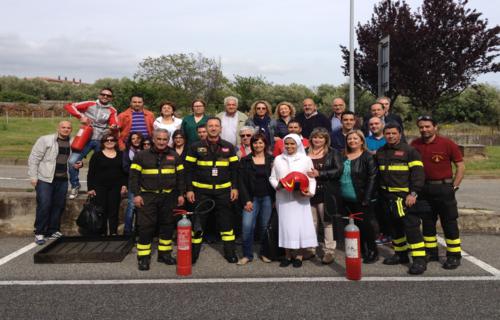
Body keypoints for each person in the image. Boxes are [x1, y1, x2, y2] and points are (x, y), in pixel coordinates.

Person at [411, 115, 465, 269]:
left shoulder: (447, 144)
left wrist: (454, 186)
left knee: (449, 222)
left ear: (435, 127)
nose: (424, 129)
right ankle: (431, 252)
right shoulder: (415, 144)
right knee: (427, 223)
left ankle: (454, 255)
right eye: (421, 127)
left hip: (444, 188)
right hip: (423, 190)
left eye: (427, 126)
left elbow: (460, 166)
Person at [129, 129, 186, 271]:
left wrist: (180, 194)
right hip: (147, 196)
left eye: (164, 139)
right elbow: (133, 177)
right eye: (159, 139)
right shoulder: (141, 156)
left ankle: (164, 254)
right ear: (153, 139)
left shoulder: (174, 156)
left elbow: (181, 177)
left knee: (167, 225)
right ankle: (143, 257)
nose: (161, 142)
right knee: (146, 227)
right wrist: (136, 195)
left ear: (168, 140)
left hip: (169, 196)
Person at [185, 117, 239, 263]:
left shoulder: (229, 146)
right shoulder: (195, 147)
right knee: (198, 224)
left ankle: (230, 253)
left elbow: (234, 170)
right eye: (211, 126)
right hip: (201, 193)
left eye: (216, 126)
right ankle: (193, 255)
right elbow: (188, 170)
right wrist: (189, 189)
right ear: (206, 128)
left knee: (226, 224)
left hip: (223, 193)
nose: (213, 128)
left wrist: (234, 187)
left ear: (221, 129)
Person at [375, 123, 427, 275]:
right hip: (387, 197)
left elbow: (418, 174)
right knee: (394, 228)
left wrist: (413, 193)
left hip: (404, 198)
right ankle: (401, 254)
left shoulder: (410, 151)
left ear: (400, 134)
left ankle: (419, 260)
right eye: (388, 133)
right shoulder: (381, 151)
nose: (390, 136)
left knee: (411, 228)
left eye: (393, 133)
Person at [269, 133, 317, 268]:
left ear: (298, 144)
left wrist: (310, 192)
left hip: (300, 199)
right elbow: (272, 177)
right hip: (283, 198)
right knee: (285, 227)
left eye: (292, 143)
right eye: (287, 143)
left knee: (300, 226)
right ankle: (288, 255)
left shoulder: (306, 159)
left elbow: (311, 178)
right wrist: (277, 185)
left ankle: (299, 256)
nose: (289, 146)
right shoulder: (278, 159)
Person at [64, 88, 119, 200]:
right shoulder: (90, 104)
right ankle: (75, 185)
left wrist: (113, 127)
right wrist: (81, 116)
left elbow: (115, 123)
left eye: (108, 96)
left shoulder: (112, 110)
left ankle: (98, 188)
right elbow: (69, 106)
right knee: (72, 161)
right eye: (103, 94)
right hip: (85, 138)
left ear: (111, 98)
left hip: (101, 140)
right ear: (99, 95)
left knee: (100, 166)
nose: (105, 97)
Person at [28, 121, 73, 244]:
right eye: (63, 127)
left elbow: (74, 160)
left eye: (68, 128)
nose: (66, 130)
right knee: (44, 204)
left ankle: (52, 230)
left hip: (63, 179)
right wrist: (33, 176)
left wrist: (79, 164)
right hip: (45, 178)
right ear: (58, 128)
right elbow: (34, 158)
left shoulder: (72, 142)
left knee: (58, 205)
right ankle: (39, 232)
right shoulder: (45, 140)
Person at [340, 130, 379, 263]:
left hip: (361, 198)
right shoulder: (342, 155)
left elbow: (372, 178)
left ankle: (373, 251)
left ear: (362, 141)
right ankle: (361, 249)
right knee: (353, 226)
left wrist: (367, 198)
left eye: (355, 139)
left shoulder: (367, 156)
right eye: (349, 139)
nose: (352, 141)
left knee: (365, 226)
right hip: (345, 198)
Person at [306, 128, 343, 264]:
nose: (318, 140)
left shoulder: (333, 152)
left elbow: (339, 170)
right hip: (308, 192)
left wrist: (320, 174)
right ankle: (311, 249)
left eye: (321, 137)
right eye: (315, 137)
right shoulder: (304, 152)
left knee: (327, 222)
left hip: (325, 191)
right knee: (311, 222)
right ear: (311, 138)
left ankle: (329, 251)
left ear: (326, 139)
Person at [237, 133, 275, 265]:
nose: (258, 145)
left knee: (264, 227)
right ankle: (247, 255)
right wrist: (246, 200)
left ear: (265, 144)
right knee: (247, 226)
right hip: (251, 198)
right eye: (255, 142)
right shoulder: (245, 160)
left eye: (261, 142)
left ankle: (264, 253)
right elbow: (241, 182)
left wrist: (275, 199)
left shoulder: (272, 159)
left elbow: (276, 180)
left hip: (267, 198)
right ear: (251, 144)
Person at [87, 133, 127, 235]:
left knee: (114, 211)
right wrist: (90, 188)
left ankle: (113, 233)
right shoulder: (97, 155)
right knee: (102, 210)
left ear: (115, 141)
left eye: (112, 140)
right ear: (103, 142)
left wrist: (124, 185)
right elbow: (91, 173)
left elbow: (124, 172)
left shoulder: (121, 154)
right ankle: (102, 233)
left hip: (116, 187)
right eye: (107, 140)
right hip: (100, 187)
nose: (109, 142)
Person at [122, 132, 144, 235]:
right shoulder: (126, 152)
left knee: (143, 207)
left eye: (138, 138)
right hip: (132, 181)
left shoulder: (145, 150)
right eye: (133, 138)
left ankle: (139, 230)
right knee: (131, 206)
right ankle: (127, 231)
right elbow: (125, 167)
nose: (136, 140)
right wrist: (137, 171)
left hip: (145, 182)